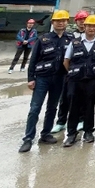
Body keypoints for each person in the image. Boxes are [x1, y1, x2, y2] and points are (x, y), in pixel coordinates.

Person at [18, 10, 74, 153]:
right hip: (42, 78)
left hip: (59, 78)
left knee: (52, 107)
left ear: (67, 22)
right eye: (57, 21)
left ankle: (45, 134)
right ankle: (28, 139)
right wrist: (31, 79)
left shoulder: (71, 39)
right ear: (53, 22)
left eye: (63, 21)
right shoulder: (43, 39)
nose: (60, 23)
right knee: (35, 108)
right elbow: (33, 60)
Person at [62, 14, 95, 147]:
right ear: (85, 26)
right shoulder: (75, 42)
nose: (92, 28)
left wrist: (90, 70)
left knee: (89, 106)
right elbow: (66, 61)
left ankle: (88, 132)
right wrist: (75, 72)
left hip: (91, 80)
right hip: (75, 80)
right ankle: (71, 134)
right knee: (73, 106)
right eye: (89, 26)